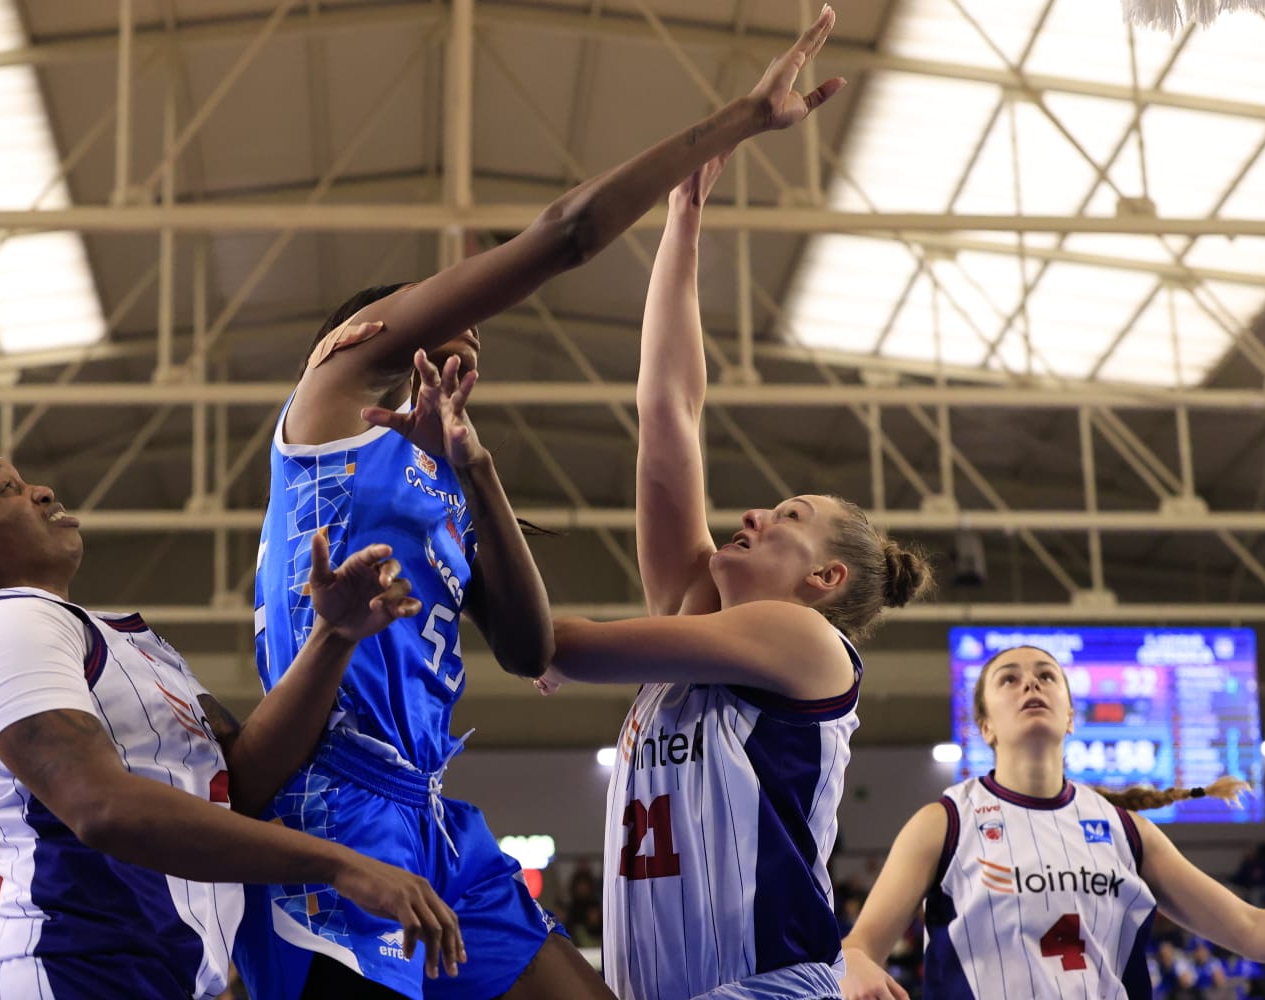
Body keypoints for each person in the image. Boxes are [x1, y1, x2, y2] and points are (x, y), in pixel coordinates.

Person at [238, 7, 855, 1000]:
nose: (467, 360)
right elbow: (566, 236)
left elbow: (529, 650)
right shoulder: (334, 392)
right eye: (455, 336)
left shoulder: (444, 474)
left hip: (432, 813)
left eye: (477, 362)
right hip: (332, 806)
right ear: (372, 331)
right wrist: (733, 122)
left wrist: (478, 471)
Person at [531, 123, 932, 998]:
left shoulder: (805, 644)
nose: (751, 513)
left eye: (786, 518)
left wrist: (509, 609)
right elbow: (669, 410)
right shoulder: (689, 612)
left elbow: (576, 645)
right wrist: (684, 217)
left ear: (823, 580)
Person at [0, 452, 464, 999]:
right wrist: (340, 863)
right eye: (8, 490)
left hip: (140, 975)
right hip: (65, 971)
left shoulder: (117, 639)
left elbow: (241, 781)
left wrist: (332, 638)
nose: (42, 491)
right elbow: (100, 806)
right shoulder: (2, 622)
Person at [838, 645, 1265, 1000]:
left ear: (1070, 716)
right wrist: (855, 963)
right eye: (1009, 679)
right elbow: (860, 946)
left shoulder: (1126, 831)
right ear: (985, 726)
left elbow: (1252, 929)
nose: (1031, 685)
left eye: (1047, 676)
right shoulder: (945, 822)